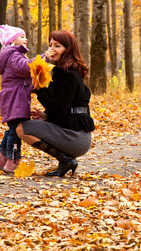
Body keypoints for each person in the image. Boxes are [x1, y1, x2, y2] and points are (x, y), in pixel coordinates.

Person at [16, 30, 95, 177]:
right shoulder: (63, 72)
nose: (52, 49)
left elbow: (59, 109)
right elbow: (64, 107)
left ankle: (66, 159)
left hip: (76, 138)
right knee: (24, 127)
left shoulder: (69, 75)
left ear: (68, 49)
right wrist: (46, 116)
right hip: (75, 134)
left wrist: (39, 89)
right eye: (50, 45)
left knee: (21, 129)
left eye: (57, 46)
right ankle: (66, 160)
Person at [0, 24, 32, 174]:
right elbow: (25, 68)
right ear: (12, 41)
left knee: (11, 130)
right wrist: (42, 60)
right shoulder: (15, 55)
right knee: (16, 132)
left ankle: (1, 157)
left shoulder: (10, 55)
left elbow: (21, 79)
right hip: (16, 100)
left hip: (12, 99)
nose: (25, 39)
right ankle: (12, 162)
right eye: (21, 36)